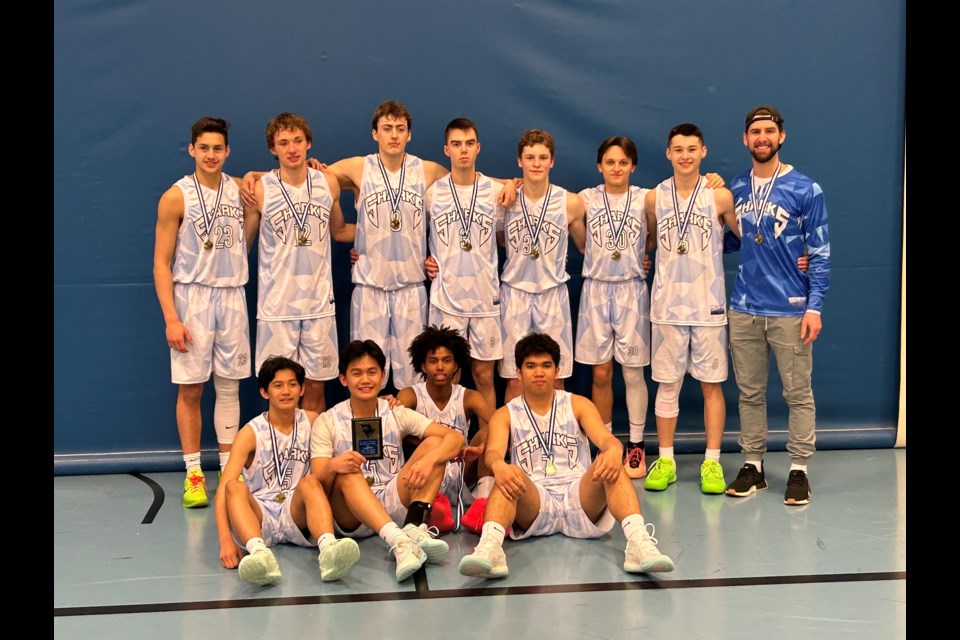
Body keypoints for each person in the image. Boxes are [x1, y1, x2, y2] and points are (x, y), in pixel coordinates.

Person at [457, 333, 674, 579]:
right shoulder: (505, 414)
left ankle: (639, 543)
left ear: (556, 371)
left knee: (610, 463)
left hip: (578, 497)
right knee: (508, 474)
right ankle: (490, 549)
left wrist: (614, 451)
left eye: (546, 366)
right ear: (518, 373)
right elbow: (493, 453)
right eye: (531, 366)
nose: (539, 372)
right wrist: (498, 465)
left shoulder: (577, 404)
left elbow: (606, 440)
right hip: (535, 501)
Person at [724, 105, 831, 506]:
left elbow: (819, 251)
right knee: (749, 393)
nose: (762, 137)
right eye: (755, 131)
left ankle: (799, 470)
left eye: (769, 131)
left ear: (781, 137)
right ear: (745, 139)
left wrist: (815, 305)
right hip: (745, 307)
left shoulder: (806, 188)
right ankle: (753, 465)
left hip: (791, 308)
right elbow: (731, 242)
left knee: (797, 392)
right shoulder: (735, 187)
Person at [153, 116, 256, 508]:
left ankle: (229, 470)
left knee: (229, 385)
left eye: (218, 148)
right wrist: (171, 318)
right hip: (192, 297)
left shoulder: (240, 191)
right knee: (192, 387)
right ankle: (194, 473)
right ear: (192, 150)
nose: (211, 155)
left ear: (227, 152)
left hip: (231, 295)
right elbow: (161, 263)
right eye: (204, 148)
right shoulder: (176, 196)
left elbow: (242, 243)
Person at [310, 340, 466, 581]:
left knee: (435, 445)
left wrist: (428, 461)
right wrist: (334, 465)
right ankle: (399, 542)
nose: (365, 380)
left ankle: (414, 527)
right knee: (350, 471)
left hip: (392, 500)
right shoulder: (327, 420)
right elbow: (318, 478)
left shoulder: (395, 411)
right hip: (351, 515)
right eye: (356, 373)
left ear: (383, 376)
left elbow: (455, 438)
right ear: (343, 379)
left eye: (372, 372)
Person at [642, 123, 738, 496]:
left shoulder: (720, 197)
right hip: (666, 306)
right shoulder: (653, 198)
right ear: (668, 153)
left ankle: (711, 463)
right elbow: (648, 240)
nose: (685, 155)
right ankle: (665, 459)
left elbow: (748, 238)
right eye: (678, 149)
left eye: (691, 149)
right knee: (668, 385)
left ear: (703, 152)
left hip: (708, 305)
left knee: (711, 387)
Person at [214, 356, 360, 585]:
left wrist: (387, 402)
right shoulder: (250, 433)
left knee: (310, 482)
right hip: (260, 514)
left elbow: (351, 414)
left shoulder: (313, 421)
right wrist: (225, 540)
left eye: (292, 384)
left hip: (296, 511)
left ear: (302, 389)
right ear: (265, 392)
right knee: (233, 485)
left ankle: (329, 551)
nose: (286, 391)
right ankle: (261, 556)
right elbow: (223, 490)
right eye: (278, 385)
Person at [247, 113, 354, 414]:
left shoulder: (328, 183)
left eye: (297, 140)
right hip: (277, 306)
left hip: (318, 303)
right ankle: (282, 453)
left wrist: (380, 239)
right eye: (283, 142)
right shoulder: (260, 188)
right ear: (273, 149)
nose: (292, 148)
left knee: (316, 385)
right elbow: (242, 246)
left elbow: (340, 230)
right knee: (278, 387)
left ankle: (313, 458)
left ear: (308, 143)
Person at [422, 117, 516, 416]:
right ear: (446, 150)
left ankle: (489, 442)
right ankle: (450, 442)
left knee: (484, 375)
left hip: (484, 297)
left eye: (469, 144)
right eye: (456, 144)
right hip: (446, 297)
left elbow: (508, 237)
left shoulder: (497, 191)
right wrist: (424, 261)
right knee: (446, 375)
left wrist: (514, 182)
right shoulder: (432, 193)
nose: (463, 150)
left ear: (478, 148)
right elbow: (411, 236)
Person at [498, 129, 586, 404]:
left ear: (552, 161)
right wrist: (510, 183)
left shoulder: (570, 202)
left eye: (542, 157)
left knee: (555, 375)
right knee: (514, 377)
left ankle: (555, 440)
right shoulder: (504, 199)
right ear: (519, 161)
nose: (536, 163)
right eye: (530, 157)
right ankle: (515, 445)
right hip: (514, 291)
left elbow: (585, 247)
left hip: (552, 292)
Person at [395, 325, 496, 533]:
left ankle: (482, 503)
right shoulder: (410, 395)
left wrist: (482, 447)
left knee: (490, 431)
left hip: (462, 473)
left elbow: (502, 422)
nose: (440, 367)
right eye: (433, 361)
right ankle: (433, 506)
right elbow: (392, 427)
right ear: (423, 366)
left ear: (456, 364)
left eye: (446, 360)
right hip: (426, 474)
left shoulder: (468, 396)